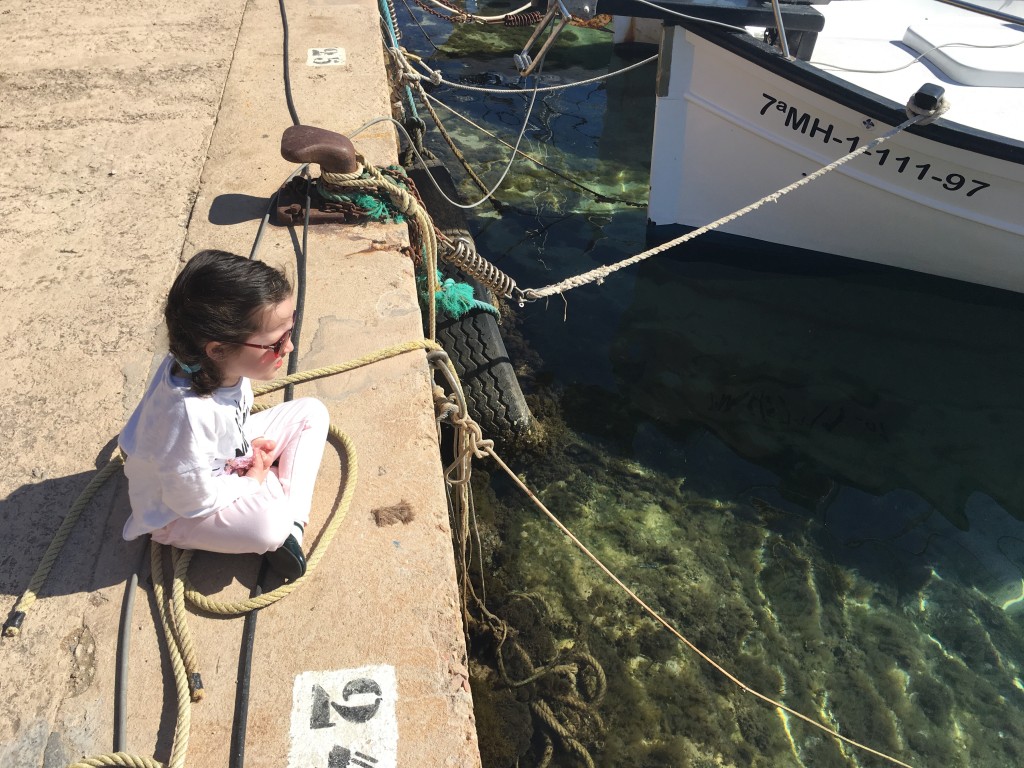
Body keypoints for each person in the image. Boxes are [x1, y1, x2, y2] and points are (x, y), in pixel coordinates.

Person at [118, 249, 329, 579]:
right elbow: (192, 501)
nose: (288, 348)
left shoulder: (214, 367)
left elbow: (225, 426)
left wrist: (242, 450)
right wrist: (251, 481)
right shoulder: (187, 415)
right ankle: (282, 524)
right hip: (178, 509)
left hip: (213, 466)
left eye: (291, 331)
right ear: (218, 349)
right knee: (269, 526)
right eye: (277, 342)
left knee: (311, 412)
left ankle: (294, 528)